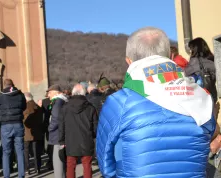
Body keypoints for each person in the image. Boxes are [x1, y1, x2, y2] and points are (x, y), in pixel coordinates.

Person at [96, 27, 216, 177]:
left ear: (129, 61)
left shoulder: (119, 102)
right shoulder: (200, 96)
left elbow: (106, 164)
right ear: (170, 56)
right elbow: (210, 133)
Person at [59, 84, 98, 178]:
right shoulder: (90, 107)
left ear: (73, 93)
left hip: (70, 140)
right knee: (87, 165)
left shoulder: (65, 107)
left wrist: (62, 141)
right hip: (86, 139)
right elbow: (95, 126)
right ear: (84, 93)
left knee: (70, 165)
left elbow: (61, 126)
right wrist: (93, 136)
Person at [0, 79, 26, 178]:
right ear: (13, 85)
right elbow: (23, 107)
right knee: (20, 151)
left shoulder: (0, 96)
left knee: (6, 152)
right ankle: (21, 175)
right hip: (18, 124)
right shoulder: (20, 95)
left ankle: (6, 176)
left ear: (4, 86)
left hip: (6, 125)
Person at [185, 37, 217, 103]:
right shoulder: (212, 59)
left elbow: (185, 75)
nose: (190, 51)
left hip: (199, 99)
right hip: (212, 97)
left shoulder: (194, 62)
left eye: (191, 49)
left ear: (195, 49)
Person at [47, 84, 68, 178]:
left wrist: (49, 128)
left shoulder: (58, 102)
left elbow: (55, 119)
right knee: (61, 159)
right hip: (61, 134)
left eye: (49, 93)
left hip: (57, 136)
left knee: (57, 161)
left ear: (55, 93)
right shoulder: (63, 101)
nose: (48, 95)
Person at [23, 92, 44, 174]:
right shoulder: (38, 107)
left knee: (26, 151)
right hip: (37, 132)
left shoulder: (24, 107)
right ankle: (37, 168)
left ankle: (27, 169)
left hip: (27, 132)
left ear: (26, 99)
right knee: (36, 151)